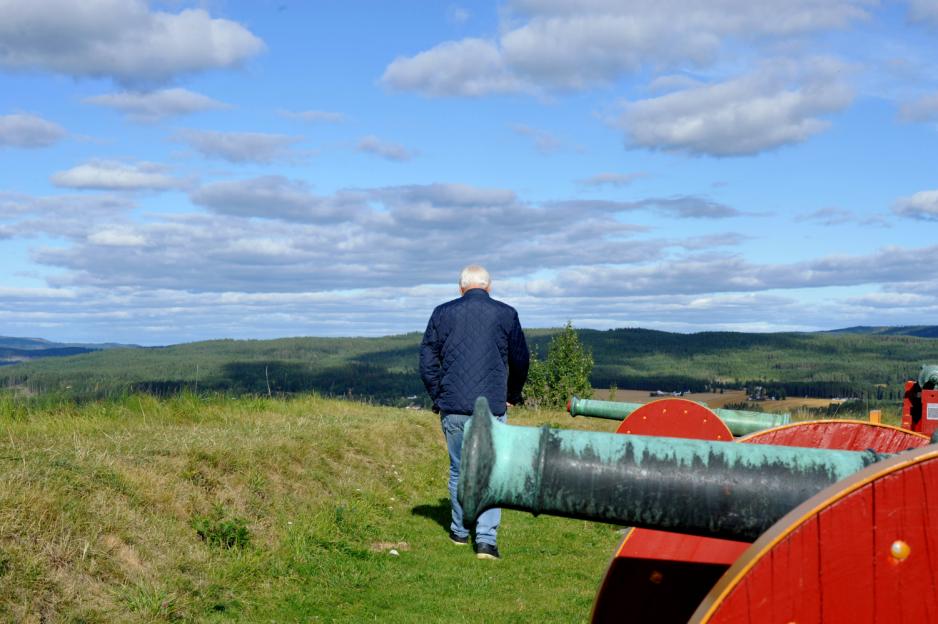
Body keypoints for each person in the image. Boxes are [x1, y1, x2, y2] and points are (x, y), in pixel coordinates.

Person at [419, 265, 529, 560]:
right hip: (492, 406)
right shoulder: (506, 314)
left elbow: (427, 361)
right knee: (490, 472)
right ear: (489, 287)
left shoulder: (442, 313)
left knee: (458, 469)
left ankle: (458, 531)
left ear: (461, 288)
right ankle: (485, 541)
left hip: (452, 406)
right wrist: (512, 395)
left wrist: (438, 396)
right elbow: (520, 360)